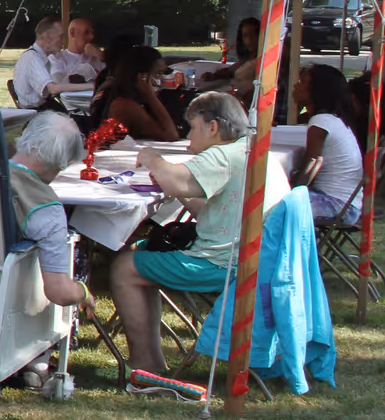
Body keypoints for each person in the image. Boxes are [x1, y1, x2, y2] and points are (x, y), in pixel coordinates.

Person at [120, 92, 289, 378]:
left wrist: (152, 158)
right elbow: (211, 210)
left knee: (124, 266)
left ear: (212, 127)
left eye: (192, 127)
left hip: (226, 265)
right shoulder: (253, 149)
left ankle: (145, 363)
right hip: (256, 260)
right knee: (143, 261)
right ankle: (151, 359)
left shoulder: (223, 154)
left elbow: (174, 178)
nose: (189, 136)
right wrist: (178, 190)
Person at [6, 112, 96, 308]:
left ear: (26, 136)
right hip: (7, 305)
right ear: (65, 162)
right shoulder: (47, 210)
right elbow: (60, 293)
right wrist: (84, 291)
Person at [292, 63, 363, 223]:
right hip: (349, 205)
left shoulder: (321, 121)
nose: (296, 85)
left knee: (273, 204)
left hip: (336, 205)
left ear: (317, 91)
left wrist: (291, 191)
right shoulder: (335, 119)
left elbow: (311, 165)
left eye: (303, 82)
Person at [91, 44, 179, 141]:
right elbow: (171, 136)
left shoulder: (124, 94)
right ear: (141, 78)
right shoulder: (124, 105)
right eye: (158, 74)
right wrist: (151, 97)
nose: (162, 81)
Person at [12, 15, 91, 109]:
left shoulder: (44, 57)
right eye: (61, 37)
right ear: (47, 37)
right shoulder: (32, 58)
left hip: (45, 107)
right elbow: (53, 89)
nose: (63, 41)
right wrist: (91, 86)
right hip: (35, 113)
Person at [58, 16, 105, 81]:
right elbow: (58, 84)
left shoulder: (97, 58)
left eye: (92, 33)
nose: (91, 37)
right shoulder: (58, 59)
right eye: (86, 32)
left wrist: (104, 57)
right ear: (72, 33)